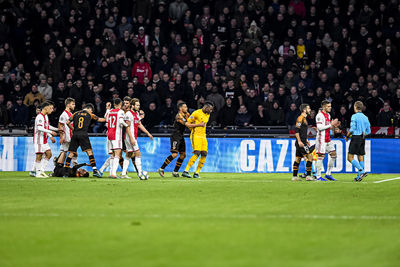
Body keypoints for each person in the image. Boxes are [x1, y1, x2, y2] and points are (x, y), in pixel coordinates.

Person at [158, 102, 205, 177]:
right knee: (174, 154)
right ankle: (161, 169)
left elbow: (191, 121)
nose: (187, 108)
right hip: (175, 136)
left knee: (183, 155)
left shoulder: (187, 115)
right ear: (180, 108)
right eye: (185, 107)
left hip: (181, 136)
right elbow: (188, 124)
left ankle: (175, 172)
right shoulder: (179, 116)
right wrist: (199, 125)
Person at [65, 103, 106, 178]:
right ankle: (94, 170)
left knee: (71, 153)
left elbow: (67, 122)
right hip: (83, 134)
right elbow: (101, 119)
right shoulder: (90, 114)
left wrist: (73, 129)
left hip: (75, 134)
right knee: (89, 152)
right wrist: (108, 117)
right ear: (90, 109)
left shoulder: (75, 113)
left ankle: (66, 172)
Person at [120, 98, 153, 179]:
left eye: (139, 105)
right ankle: (140, 173)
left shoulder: (136, 114)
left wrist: (148, 133)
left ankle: (123, 173)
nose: (138, 106)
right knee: (138, 153)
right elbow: (127, 127)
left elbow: (139, 124)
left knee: (129, 154)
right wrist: (131, 138)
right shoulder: (128, 114)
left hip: (132, 137)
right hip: (129, 137)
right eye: (137, 105)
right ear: (132, 106)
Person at [182, 101, 214, 178]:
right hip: (196, 135)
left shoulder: (208, 115)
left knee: (204, 153)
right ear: (206, 107)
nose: (211, 111)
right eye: (210, 109)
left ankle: (196, 173)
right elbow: (187, 123)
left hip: (203, 136)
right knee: (197, 152)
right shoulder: (196, 113)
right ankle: (185, 171)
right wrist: (196, 127)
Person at [31, 101, 58, 178]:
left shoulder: (45, 116)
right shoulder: (39, 116)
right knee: (39, 155)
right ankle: (38, 173)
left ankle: (41, 171)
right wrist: (51, 133)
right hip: (39, 140)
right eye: (51, 108)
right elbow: (40, 128)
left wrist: (56, 129)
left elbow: (47, 126)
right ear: (46, 108)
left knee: (49, 154)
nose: (52, 110)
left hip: (44, 140)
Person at [315, 101, 340, 181]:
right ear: (324, 107)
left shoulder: (328, 115)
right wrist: (331, 124)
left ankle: (328, 174)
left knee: (334, 155)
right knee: (321, 157)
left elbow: (327, 127)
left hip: (328, 139)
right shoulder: (319, 115)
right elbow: (319, 127)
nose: (330, 107)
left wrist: (334, 127)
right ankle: (318, 176)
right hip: (321, 139)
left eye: (330, 106)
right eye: (328, 106)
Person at [346, 101, 371, 182]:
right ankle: (359, 177)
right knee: (360, 156)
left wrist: (347, 136)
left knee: (350, 158)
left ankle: (362, 171)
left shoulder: (354, 116)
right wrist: (363, 133)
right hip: (362, 138)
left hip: (356, 137)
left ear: (355, 107)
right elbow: (369, 131)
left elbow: (352, 128)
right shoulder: (365, 117)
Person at [106, 98, 129, 178]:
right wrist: (127, 125)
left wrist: (107, 109)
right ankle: (113, 173)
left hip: (109, 135)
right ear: (120, 104)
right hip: (116, 135)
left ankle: (110, 173)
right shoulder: (121, 112)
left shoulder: (109, 112)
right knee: (118, 154)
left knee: (112, 154)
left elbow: (106, 120)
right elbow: (121, 121)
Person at [292, 104, 315, 181]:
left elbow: (303, 131)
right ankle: (308, 176)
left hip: (302, 141)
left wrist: (306, 139)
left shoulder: (304, 119)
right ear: (304, 110)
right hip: (301, 143)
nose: (310, 110)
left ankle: (294, 177)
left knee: (298, 159)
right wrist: (299, 141)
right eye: (308, 108)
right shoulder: (300, 118)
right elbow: (296, 130)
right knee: (310, 156)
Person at [56, 98, 76, 165]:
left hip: (71, 136)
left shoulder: (70, 113)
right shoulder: (63, 115)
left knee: (66, 153)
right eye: (72, 104)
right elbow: (60, 126)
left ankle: (59, 166)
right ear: (68, 105)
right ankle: (59, 168)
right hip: (66, 137)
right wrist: (61, 137)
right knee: (65, 153)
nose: (74, 105)